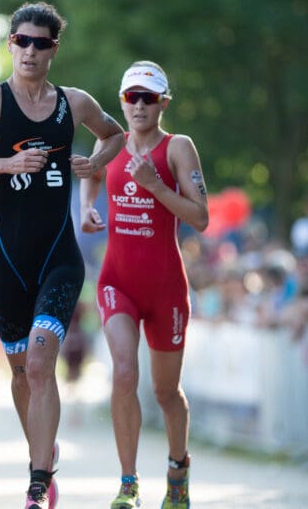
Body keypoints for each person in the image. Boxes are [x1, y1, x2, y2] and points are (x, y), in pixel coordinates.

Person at [0, 2, 125, 508]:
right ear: (10, 44)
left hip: (58, 256)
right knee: (22, 371)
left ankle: (38, 484)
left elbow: (115, 135)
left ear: (53, 49)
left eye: (40, 43)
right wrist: (8, 164)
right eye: (21, 41)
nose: (30, 51)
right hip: (7, 260)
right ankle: (43, 452)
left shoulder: (74, 102)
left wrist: (93, 165)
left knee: (42, 362)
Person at [80, 60, 209, 509]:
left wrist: (155, 186)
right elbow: (93, 172)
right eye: (131, 97)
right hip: (117, 280)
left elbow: (201, 218)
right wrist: (87, 208)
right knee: (123, 372)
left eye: (148, 97)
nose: (138, 105)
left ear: (162, 103)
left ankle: (177, 470)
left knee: (165, 392)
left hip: (166, 288)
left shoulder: (178, 148)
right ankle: (128, 483)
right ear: (121, 101)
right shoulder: (112, 143)